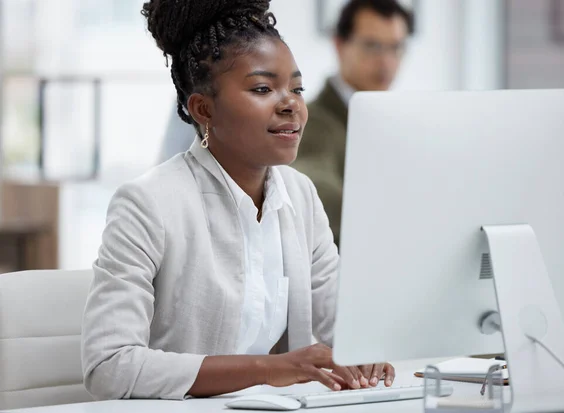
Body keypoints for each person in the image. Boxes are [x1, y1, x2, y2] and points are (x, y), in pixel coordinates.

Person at [81, 0, 394, 401]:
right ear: (204, 108)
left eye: (296, 88)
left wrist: (366, 351)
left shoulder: (300, 196)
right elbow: (108, 365)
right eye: (263, 88)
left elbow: (346, 322)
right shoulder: (147, 204)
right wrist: (275, 369)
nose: (291, 104)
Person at [293, 0, 413, 246]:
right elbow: (316, 187)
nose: (386, 62)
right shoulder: (312, 120)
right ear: (339, 45)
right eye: (372, 46)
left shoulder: (397, 121)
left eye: (396, 48)